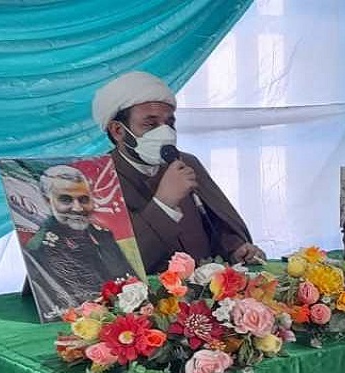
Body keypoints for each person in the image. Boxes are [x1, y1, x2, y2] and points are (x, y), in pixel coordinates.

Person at [91, 71, 265, 274]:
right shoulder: (99, 179)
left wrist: (236, 250)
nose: (165, 132)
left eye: (169, 123)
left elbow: (215, 224)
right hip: (151, 293)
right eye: (150, 124)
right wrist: (164, 203)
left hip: (206, 288)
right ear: (118, 131)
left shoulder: (186, 163)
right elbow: (116, 265)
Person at [25, 165, 136, 318]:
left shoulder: (103, 236)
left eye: (84, 199)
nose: (78, 208)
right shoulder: (39, 248)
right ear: (48, 201)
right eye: (65, 199)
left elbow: (130, 281)